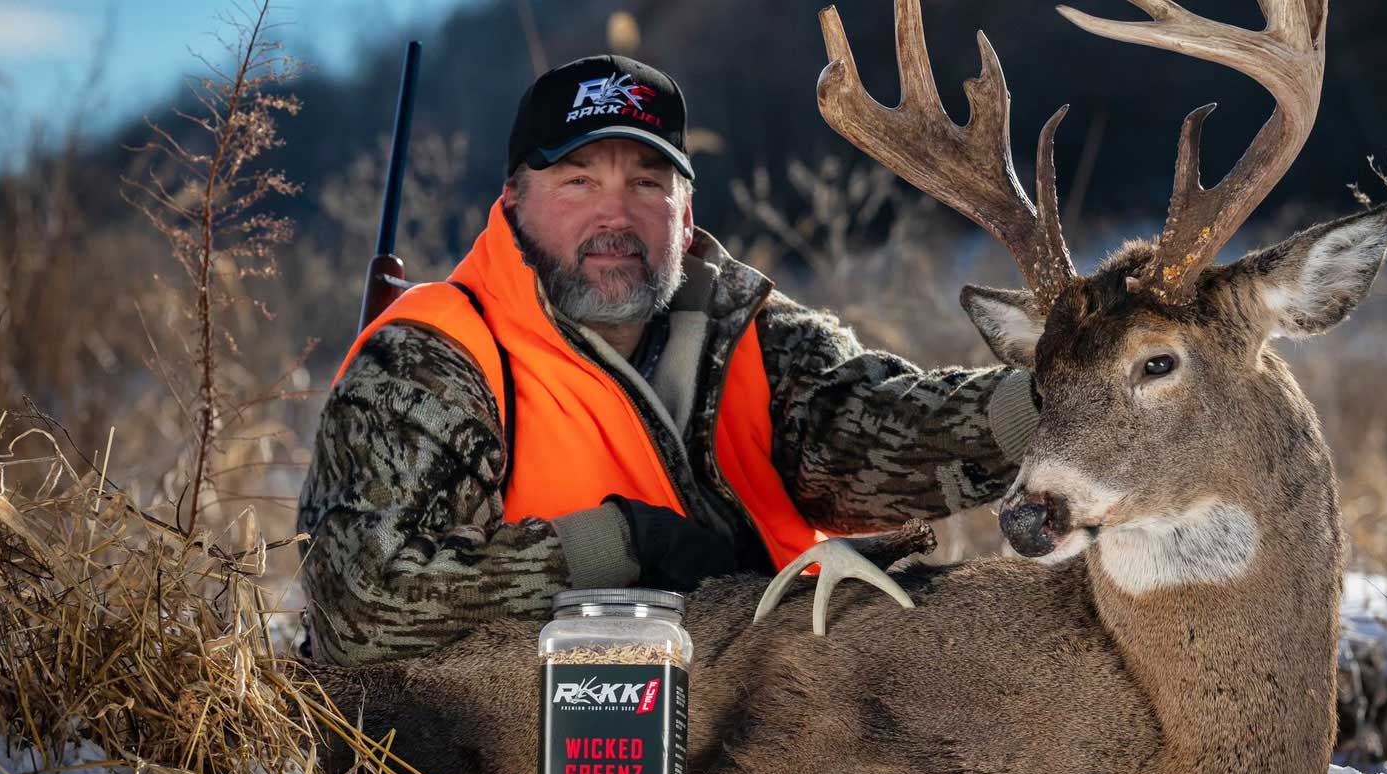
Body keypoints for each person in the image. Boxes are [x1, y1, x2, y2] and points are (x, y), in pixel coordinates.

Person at [296, 55, 1038, 666]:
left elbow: (873, 429)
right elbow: (363, 607)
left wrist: (1051, 403)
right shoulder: (431, 360)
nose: (614, 216)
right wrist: (619, 548)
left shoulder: (748, 333)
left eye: (647, 183)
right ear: (514, 203)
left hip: (775, 716)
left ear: (686, 215)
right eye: (578, 181)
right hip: (529, 751)